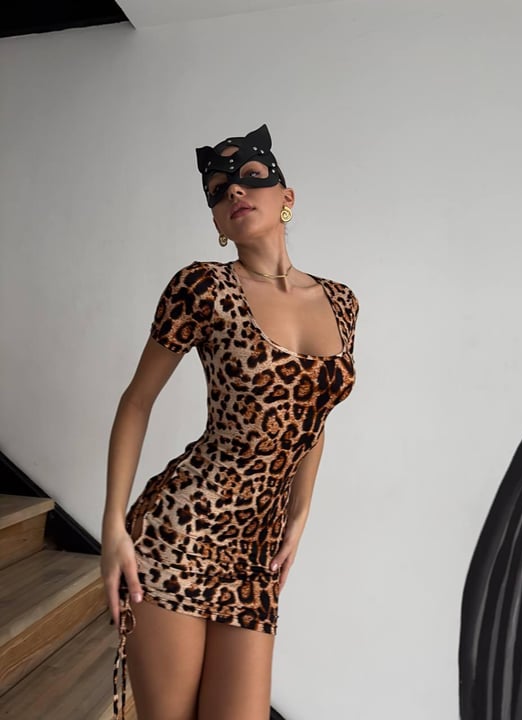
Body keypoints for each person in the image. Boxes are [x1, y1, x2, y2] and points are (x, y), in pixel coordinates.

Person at [100, 124, 359, 720]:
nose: (234, 191)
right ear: (218, 222)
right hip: (180, 532)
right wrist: (113, 526)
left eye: (250, 177)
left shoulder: (342, 302)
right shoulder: (202, 287)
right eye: (218, 190)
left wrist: (300, 514)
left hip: (255, 548)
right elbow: (136, 401)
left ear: (287, 196)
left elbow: (313, 417)